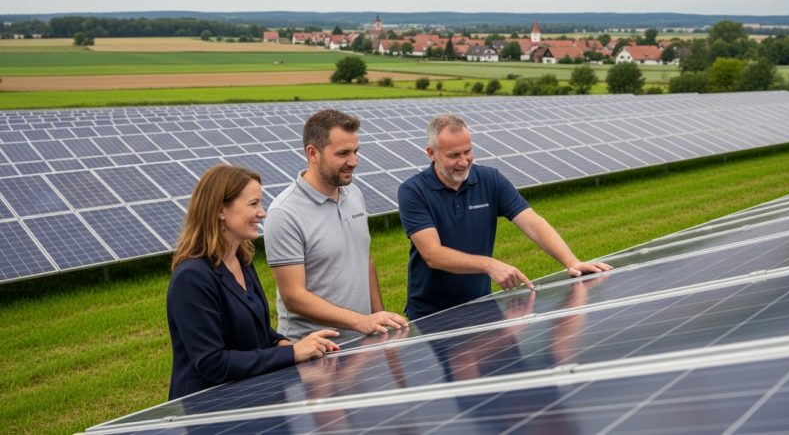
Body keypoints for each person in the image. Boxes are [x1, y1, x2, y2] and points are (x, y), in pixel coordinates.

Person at [397, 115, 613, 320]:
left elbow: (532, 223)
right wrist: (489, 265)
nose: (464, 162)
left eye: (468, 151)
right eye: (453, 155)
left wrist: (571, 261)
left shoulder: (491, 180)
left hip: (482, 303)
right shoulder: (413, 191)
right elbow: (432, 254)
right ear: (431, 153)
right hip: (430, 315)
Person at [166, 164, 340, 400]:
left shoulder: (241, 260)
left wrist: (283, 343)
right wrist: (291, 354)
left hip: (253, 394)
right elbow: (212, 362)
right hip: (212, 408)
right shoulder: (192, 277)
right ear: (220, 210)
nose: (263, 212)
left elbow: (256, 333)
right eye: (253, 204)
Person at [265, 109, 408, 341]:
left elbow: (365, 258)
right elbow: (293, 296)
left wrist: (379, 316)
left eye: (355, 151)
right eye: (343, 153)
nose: (354, 162)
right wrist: (361, 321)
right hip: (315, 350)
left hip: (362, 341)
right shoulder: (285, 213)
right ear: (313, 153)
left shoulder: (354, 194)